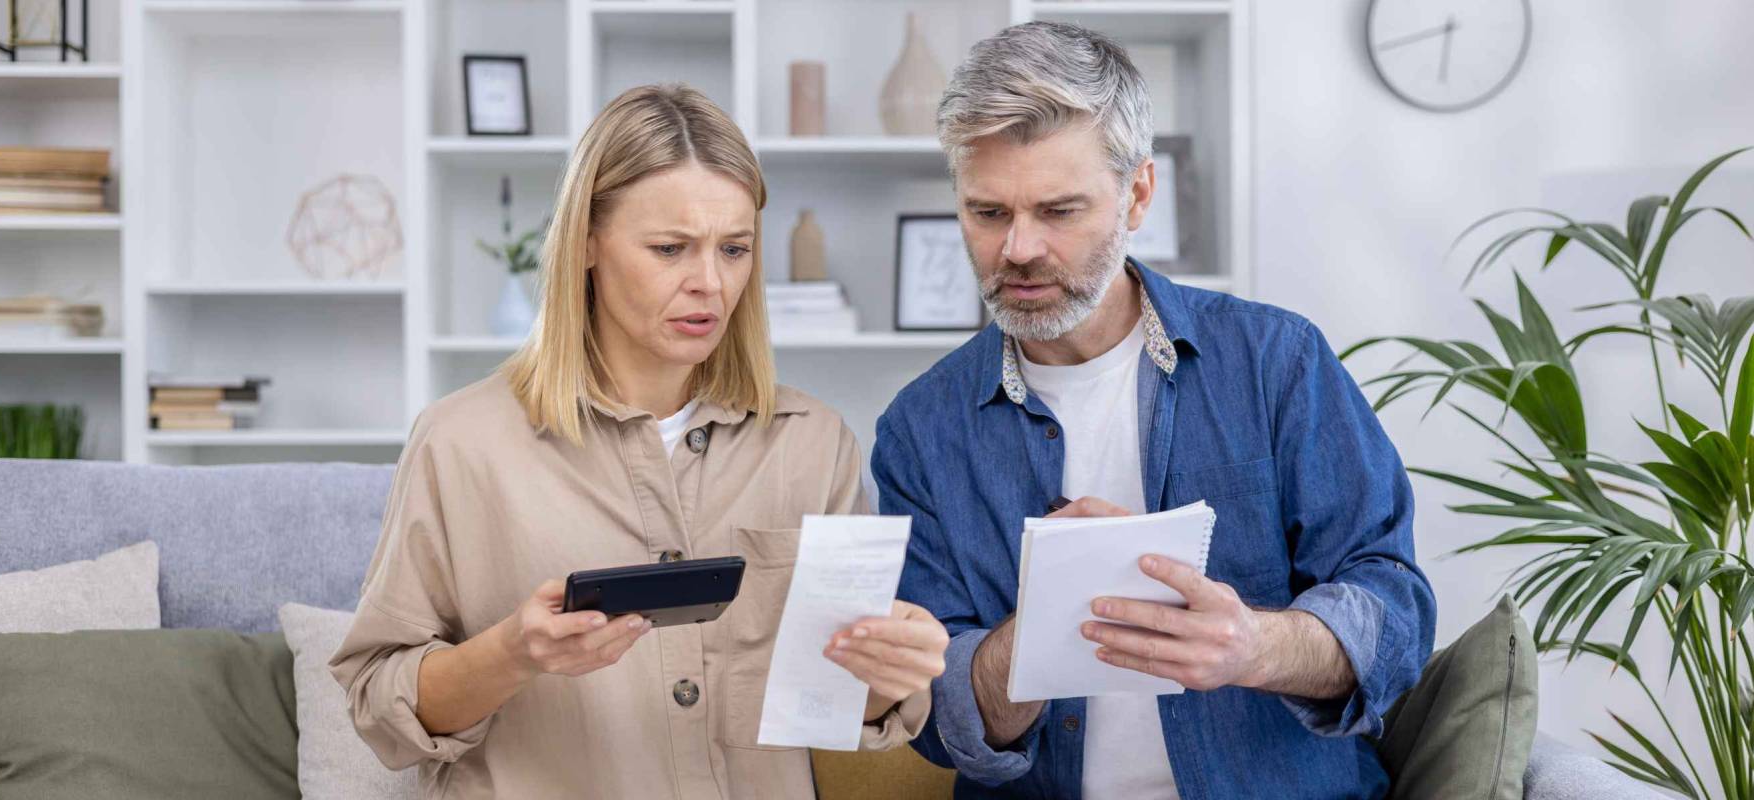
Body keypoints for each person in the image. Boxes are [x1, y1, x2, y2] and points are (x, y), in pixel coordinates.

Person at [330, 84, 949, 799]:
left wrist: (886, 677)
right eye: (670, 248)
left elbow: (839, 710)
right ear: (586, 243)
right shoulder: (460, 444)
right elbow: (378, 705)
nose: (711, 285)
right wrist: (511, 653)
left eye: (735, 249)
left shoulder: (813, 445)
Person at [875, 22, 1435, 799]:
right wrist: (1031, 637)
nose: (1019, 249)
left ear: (1138, 194)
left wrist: (1255, 647)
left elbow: (1396, 609)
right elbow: (936, 723)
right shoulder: (919, 430)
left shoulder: (1277, 363)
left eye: (1060, 211)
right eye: (989, 213)